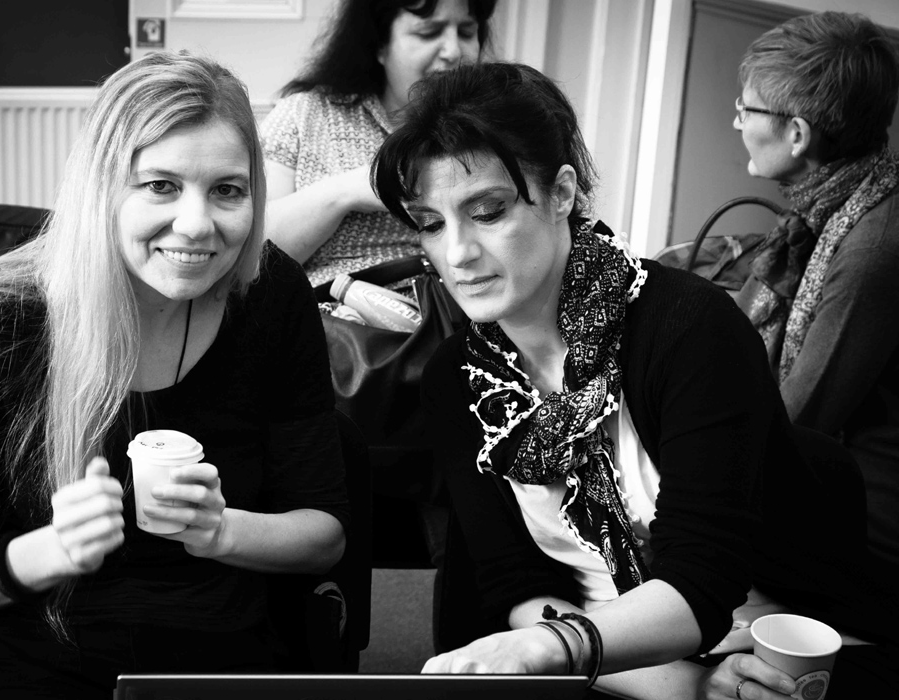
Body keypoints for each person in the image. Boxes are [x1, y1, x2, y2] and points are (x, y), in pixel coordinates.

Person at [371, 61, 898, 698]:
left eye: (487, 212)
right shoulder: (457, 378)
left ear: (561, 194)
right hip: (602, 664)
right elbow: (513, 585)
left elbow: (702, 580)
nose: (457, 253)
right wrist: (677, 685)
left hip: (761, 645)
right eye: (431, 223)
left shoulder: (687, 327)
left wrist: (558, 649)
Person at [0, 51, 348, 699]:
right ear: (102, 188)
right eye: (160, 185)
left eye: (227, 190)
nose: (196, 225)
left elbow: (324, 538)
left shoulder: (270, 291)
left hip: (222, 643)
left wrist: (220, 531)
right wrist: (50, 551)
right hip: (33, 643)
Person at [732, 11, 899, 572]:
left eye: (746, 109)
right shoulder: (835, 208)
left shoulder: (874, 248)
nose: (737, 122)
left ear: (798, 134)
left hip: (866, 534)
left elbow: (794, 422)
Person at [261, 0, 497, 286]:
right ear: (379, 45)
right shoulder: (304, 114)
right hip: (327, 307)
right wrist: (345, 192)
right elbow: (253, 255)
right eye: (429, 32)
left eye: (467, 32)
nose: (454, 51)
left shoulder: (494, 129)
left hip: (449, 307)